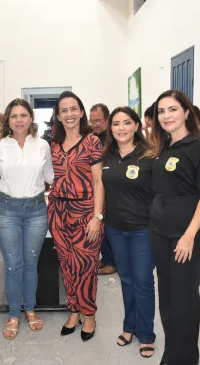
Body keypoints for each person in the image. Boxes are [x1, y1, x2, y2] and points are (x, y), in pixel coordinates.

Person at [144, 90, 200, 365]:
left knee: (184, 300)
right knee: (167, 298)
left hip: (187, 236)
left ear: (186, 112)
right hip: (160, 233)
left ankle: (185, 359)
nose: (166, 116)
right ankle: (171, 355)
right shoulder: (162, 148)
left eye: (172, 109)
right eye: (161, 111)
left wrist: (188, 236)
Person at [0, 98, 54, 340]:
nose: (19, 120)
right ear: (7, 120)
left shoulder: (43, 145)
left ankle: (30, 309)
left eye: (23, 115)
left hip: (35, 210)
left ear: (31, 118)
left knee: (31, 263)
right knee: (13, 266)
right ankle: (14, 314)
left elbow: (50, 177)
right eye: (14, 116)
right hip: (7, 210)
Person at [48, 91, 104, 342]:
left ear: (81, 112)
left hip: (86, 212)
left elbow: (98, 181)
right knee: (67, 265)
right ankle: (73, 310)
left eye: (73, 109)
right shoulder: (52, 144)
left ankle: (89, 314)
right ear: (58, 116)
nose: (69, 114)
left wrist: (97, 217)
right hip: (58, 212)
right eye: (64, 110)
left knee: (87, 267)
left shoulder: (92, 142)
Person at [102, 107, 156, 358]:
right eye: (116, 123)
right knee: (126, 280)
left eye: (126, 123)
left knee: (143, 282)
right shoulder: (107, 156)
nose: (121, 128)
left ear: (137, 125)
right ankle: (129, 327)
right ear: (110, 128)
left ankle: (146, 335)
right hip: (115, 229)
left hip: (143, 230)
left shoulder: (150, 155)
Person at [90, 103, 116, 276]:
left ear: (107, 119)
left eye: (98, 121)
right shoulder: (92, 137)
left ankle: (111, 262)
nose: (95, 124)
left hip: (112, 188)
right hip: (98, 188)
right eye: (92, 121)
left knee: (108, 227)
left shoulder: (113, 137)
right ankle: (106, 258)